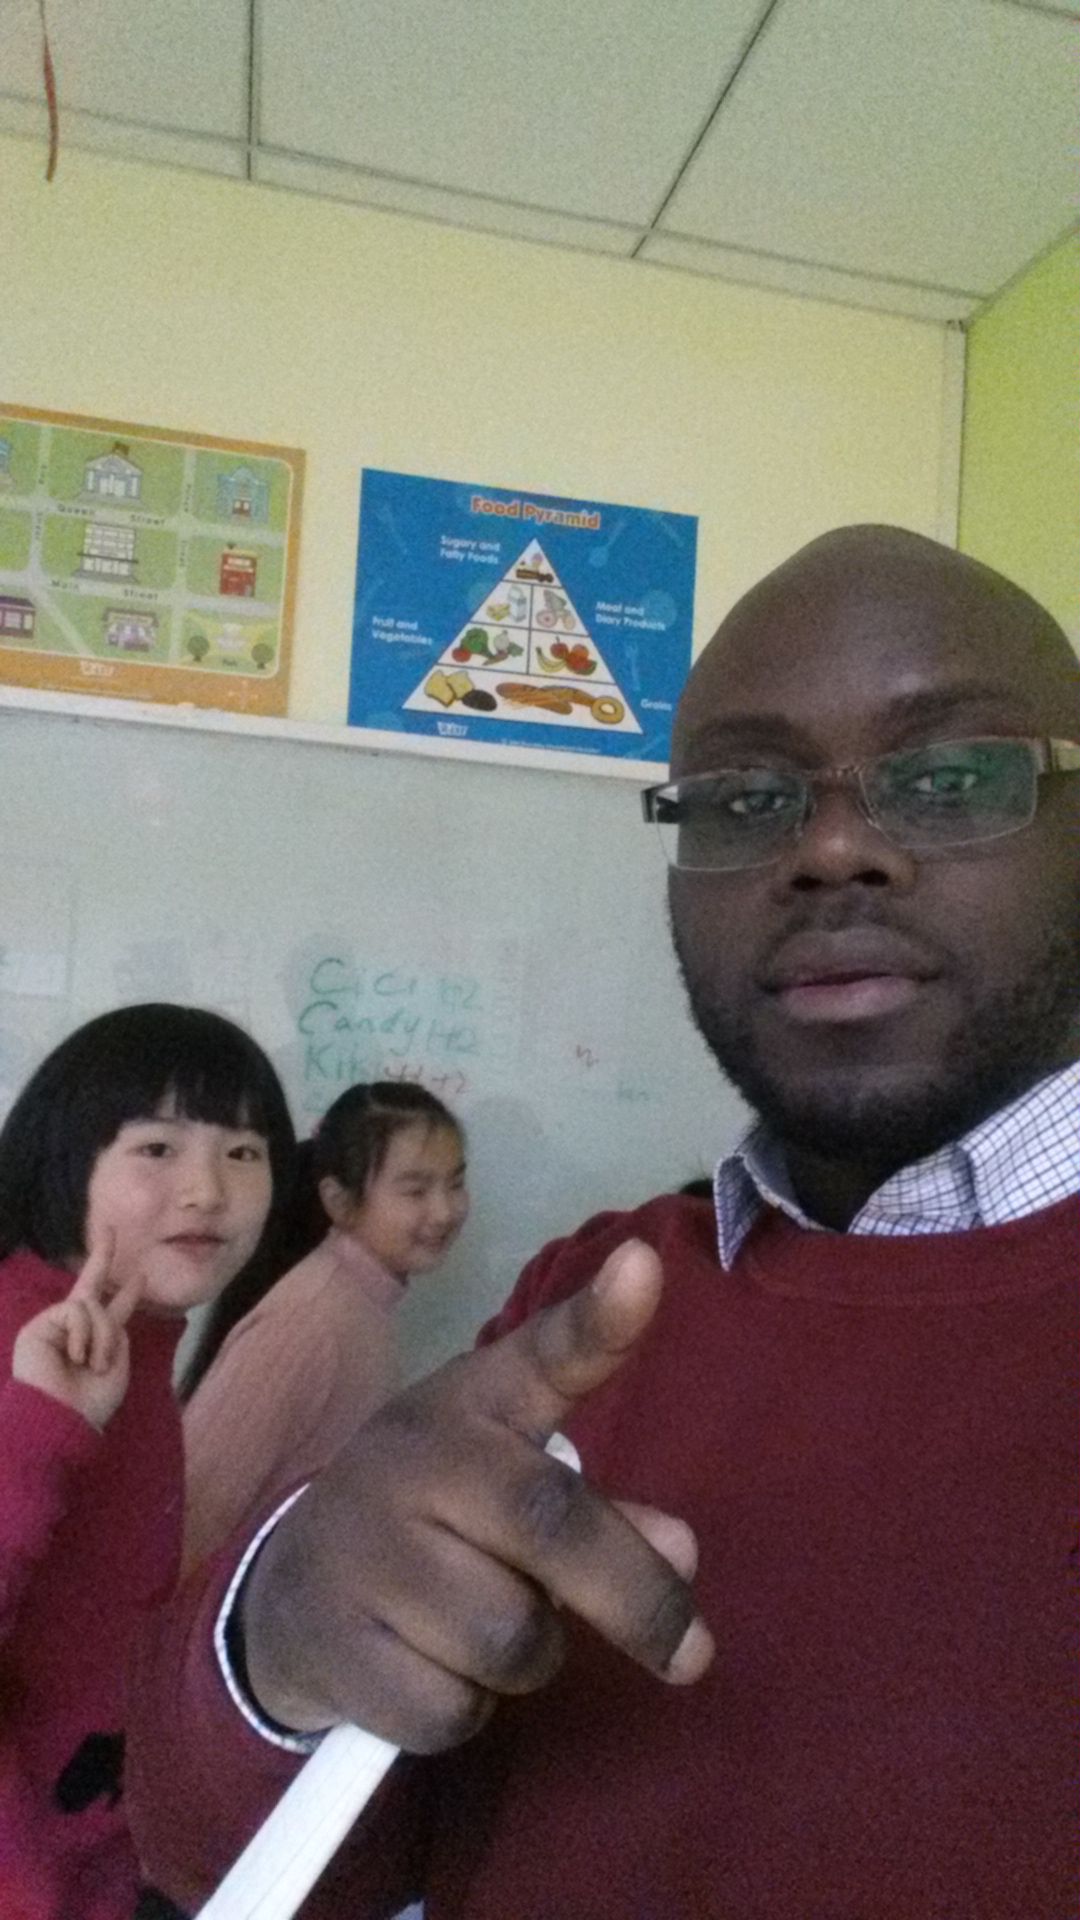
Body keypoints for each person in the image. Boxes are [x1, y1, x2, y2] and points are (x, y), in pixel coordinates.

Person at [128, 527, 1078, 1919]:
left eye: (948, 778)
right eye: (743, 798)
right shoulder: (596, 1300)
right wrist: (277, 1646)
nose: (830, 849)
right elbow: (255, 1859)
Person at [0, 1003, 294, 1919]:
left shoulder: (133, 1343)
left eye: (243, 1151)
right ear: (64, 1159)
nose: (207, 1190)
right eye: (157, 1148)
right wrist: (40, 1424)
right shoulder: (20, 1343)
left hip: (95, 1851)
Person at [181, 1082, 469, 1574]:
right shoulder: (309, 1322)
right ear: (339, 1201)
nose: (444, 1211)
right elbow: (192, 1519)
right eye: (416, 1190)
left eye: (456, 1183)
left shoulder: (361, 1304)